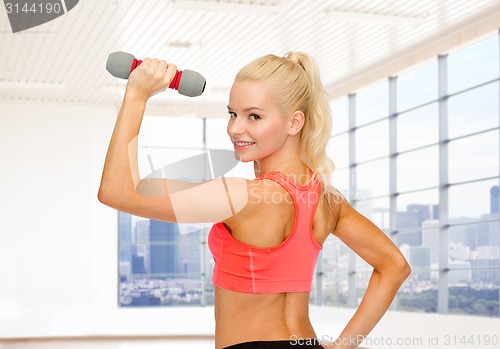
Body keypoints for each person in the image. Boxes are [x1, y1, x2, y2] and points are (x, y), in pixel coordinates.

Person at [98, 52, 411, 349]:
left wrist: (137, 95)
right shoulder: (327, 197)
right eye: (233, 114)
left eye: (254, 116)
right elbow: (394, 266)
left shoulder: (243, 196)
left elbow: (117, 191)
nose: (235, 128)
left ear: (294, 123)